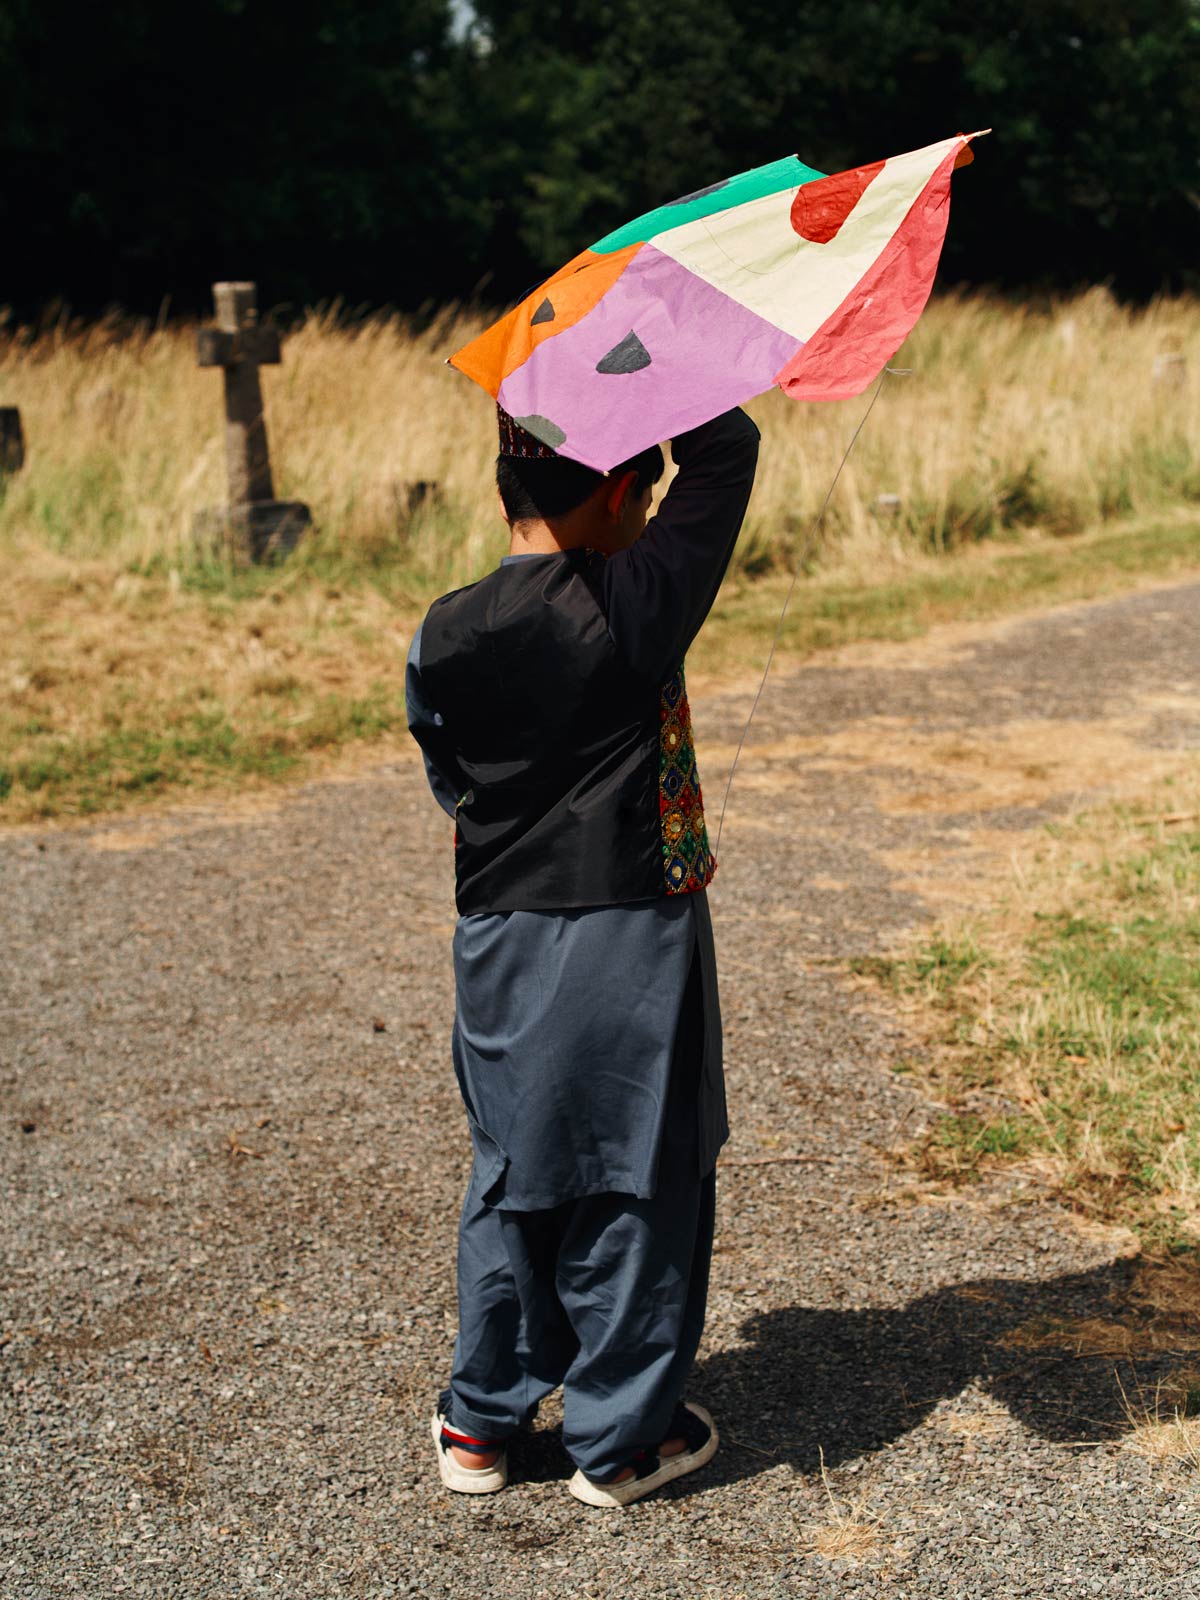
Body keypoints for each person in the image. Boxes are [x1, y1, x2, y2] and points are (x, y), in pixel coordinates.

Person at [405, 403, 760, 1508]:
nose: (648, 513)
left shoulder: (439, 630)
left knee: (515, 1164)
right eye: (640, 494)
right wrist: (662, 371)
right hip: (628, 926)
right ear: (615, 493)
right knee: (640, 1166)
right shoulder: (632, 600)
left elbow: (450, 778)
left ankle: (480, 1420)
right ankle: (619, 1441)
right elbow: (729, 453)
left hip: (495, 931)